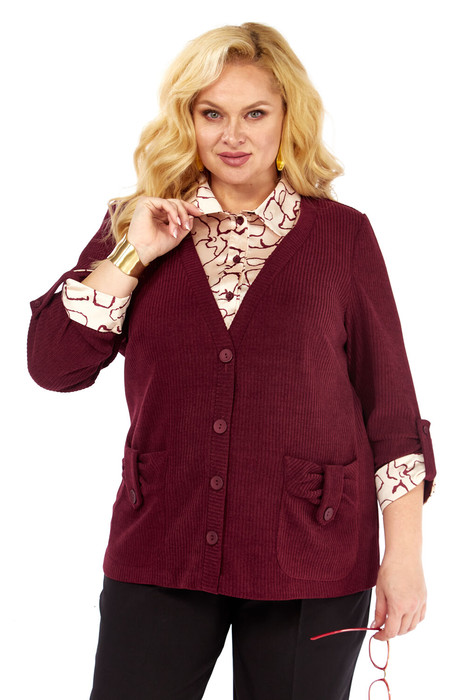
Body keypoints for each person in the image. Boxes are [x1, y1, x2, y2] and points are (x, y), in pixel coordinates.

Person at [28, 22, 436, 700]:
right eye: (211, 113)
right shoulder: (137, 223)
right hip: (162, 542)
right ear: (185, 119)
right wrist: (132, 255)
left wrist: (405, 559)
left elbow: (390, 413)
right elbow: (53, 366)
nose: (232, 135)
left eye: (255, 113)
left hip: (310, 553)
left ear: (287, 118)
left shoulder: (342, 236)